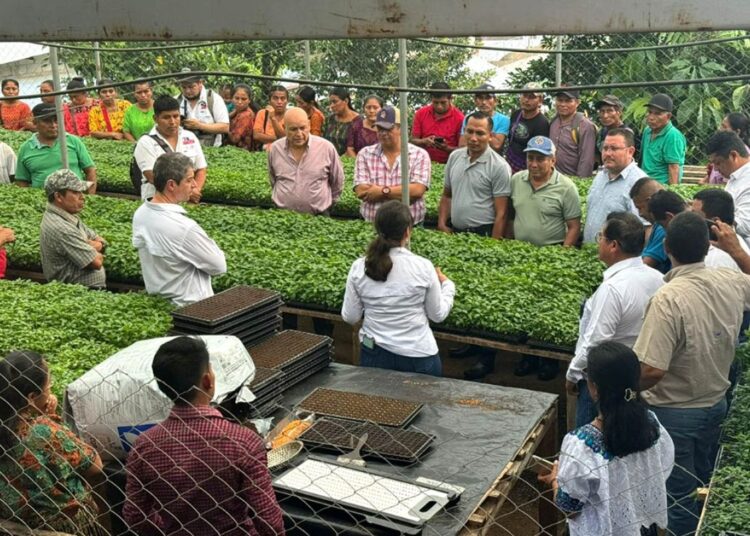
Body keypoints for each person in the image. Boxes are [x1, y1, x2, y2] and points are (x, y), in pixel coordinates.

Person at [634, 211, 750, 536]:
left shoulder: (668, 298)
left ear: (666, 247)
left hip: (674, 413)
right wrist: (737, 251)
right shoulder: (730, 281)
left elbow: (652, 369)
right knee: (702, 485)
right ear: (707, 246)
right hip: (716, 405)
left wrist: (626, 390)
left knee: (678, 499)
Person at [123, 337, 284, 536]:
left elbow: (135, 516)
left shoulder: (144, 447)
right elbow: (269, 522)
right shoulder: (243, 442)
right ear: (208, 380)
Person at [540, 342, 674, 536]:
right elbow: (663, 467)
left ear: (594, 387)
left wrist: (555, 479)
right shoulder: (652, 425)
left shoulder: (581, 444)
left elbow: (569, 507)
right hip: (642, 529)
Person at [566, 213, 664, 427]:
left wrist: (573, 374)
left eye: (600, 237)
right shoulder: (658, 278)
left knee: (594, 439)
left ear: (613, 245)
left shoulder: (612, 289)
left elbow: (596, 342)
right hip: (634, 377)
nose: (598, 242)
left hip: (603, 382)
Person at [0, 350, 108, 534]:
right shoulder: (42, 430)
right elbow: (95, 466)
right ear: (31, 397)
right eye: (49, 385)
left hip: (13, 522)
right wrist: (50, 418)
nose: (51, 389)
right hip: (61, 526)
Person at [342, 200, 455, 376]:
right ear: (407, 231)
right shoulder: (423, 267)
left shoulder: (360, 267)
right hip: (419, 356)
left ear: (377, 229)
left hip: (375, 354)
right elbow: (437, 315)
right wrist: (448, 286)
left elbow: (350, 316)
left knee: (376, 395)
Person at [438, 111, 512, 381]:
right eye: (469, 131)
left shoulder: (499, 166)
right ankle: (469, 344)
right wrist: (442, 222)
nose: (474, 137)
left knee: (486, 296)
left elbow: (501, 213)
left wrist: (493, 246)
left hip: (484, 235)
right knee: (463, 289)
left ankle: (486, 357)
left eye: (480, 133)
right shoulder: (455, 158)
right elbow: (447, 195)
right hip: (457, 235)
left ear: (490, 136)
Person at [510, 136, 581, 381]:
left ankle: (548, 362)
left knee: (547, 307)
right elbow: (511, 216)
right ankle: (526, 357)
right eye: (530, 158)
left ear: (553, 160)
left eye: (540, 159)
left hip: (552, 254)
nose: (534, 164)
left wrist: (563, 254)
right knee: (521, 304)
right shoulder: (516, 180)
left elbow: (574, 225)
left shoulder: (566, 187)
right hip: (522, 254)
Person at [132, 152, 226, 306]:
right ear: (171, 185)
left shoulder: (141, 214)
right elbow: (219, 266)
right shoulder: (183, 227)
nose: (194, 185)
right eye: (189, 180)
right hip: (192, 307)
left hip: (161, 303)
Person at [354, 106, 431, 224]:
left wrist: (382, 191)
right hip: (372, 223)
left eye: (388, 129)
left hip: (410, 225)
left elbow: (417, 190)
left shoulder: (419, 155)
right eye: (380, 129)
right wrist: (399, 193)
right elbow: (361, 190)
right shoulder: (365, 154)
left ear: (401, 129)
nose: (383, 133)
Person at [268, 107, 344, 215]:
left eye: (302, 128)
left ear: (309, 125)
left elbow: (337, 182)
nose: (299, 134)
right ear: (284, 128)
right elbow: (273, 180)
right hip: (282, 216)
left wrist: (328, 205)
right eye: (293, 129)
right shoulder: (276, 149)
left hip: (319, 216)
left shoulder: (326, 148)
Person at [134, 95, 207, 203]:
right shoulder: (145, 142)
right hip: (159, 203)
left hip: (187, 201)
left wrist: (195, 190)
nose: (172, 121)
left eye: (176, 116)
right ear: (155, 118)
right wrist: (187, 191)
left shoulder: (190, 137)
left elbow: (201, 168)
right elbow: (152, 177)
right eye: (166, 117)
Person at [40, 170, 106, 288]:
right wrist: (95, 246)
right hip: (81, 292)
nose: (82, 197)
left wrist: (98, 245)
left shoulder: (67, 217)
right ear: (58, 196)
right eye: (75, 192)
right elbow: (97, 262)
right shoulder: (61, 228)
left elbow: (100, 239)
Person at [583, 128, 647, 243]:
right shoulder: (600, 176)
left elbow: (645, 229)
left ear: (630, 151)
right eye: (605, 148)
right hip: (589, 251)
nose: (608, 153)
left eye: (614, 148)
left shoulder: (639, 183)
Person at [16, 103, 97, 193]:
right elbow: (21, 181)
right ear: (35, 123)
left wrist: (90, 197)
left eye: (56, 120)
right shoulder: (26, 148)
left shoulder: (73, 141)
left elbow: (90, 170)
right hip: (42, 199)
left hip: (74, 198)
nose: (53, 125)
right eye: (47, 121)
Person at [709, 131, 750, 247]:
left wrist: (710, 218)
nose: (715, 169)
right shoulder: (735, 177)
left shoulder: (747, 181)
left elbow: (745, 225)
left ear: (733, 156)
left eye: (718, 163)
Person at [692, 188, 750, 269]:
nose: (690, 219)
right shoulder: (735, 242)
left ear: (715, 222)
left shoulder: (716, 259)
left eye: (695, 215)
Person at [410, 82, 464, 164]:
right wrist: (424, 141)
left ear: (450, 99)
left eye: (443, 102)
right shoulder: (420, 114)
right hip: (421, 163)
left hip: (450, 164)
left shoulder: (460, 118)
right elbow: (413, 141)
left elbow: (463, 150)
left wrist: (446, 148)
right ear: (431, 99)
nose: (439, 106)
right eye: (436, 102)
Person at [549, 88, 596, 178]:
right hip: (552, 178)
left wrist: (580, 182)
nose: (563, 104)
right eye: (560, 100)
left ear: (577, 103)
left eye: (568, 101)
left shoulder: (585, 126)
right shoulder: (554, 121)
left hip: (572, 179)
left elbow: (586, 160)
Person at [640, 93, 686, 185]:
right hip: (644, 184)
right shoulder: (647, 131)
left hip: (661, 187)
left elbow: (673, 168)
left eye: (657, 114)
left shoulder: (673, 136)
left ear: (668, 116)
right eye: (650, 112)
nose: (651, 117)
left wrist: (672, 192)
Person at [177, 69, 230, 147]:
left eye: (191, 87)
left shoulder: (213, 99)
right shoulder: (177, 101)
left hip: (211, 149)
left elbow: (225, 127)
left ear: (200, 83)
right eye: (184, 87)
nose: (188, 91)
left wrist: (199, 126)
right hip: (184, 148)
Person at [506, 82, 550, 174]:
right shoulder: (516, 114)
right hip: (510, 160)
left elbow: (538, 152)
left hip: (526, 166)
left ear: (540, 100)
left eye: (531, 97)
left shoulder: (542, 123)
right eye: (524, 95)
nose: (526, 100)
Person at [629, 177, 669, 273]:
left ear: (649, 202)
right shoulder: (658, 224)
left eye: (640, 208)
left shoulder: (663, 227)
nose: (640, 214)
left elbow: (645, 266)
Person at [458, 83, 510, 153]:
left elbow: (496, 146)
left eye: (488, 98)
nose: (484, 102)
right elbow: (462, 145)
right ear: (475, 101)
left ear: (495, 101)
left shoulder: (503, 120)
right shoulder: (469, 118)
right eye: (480, 98)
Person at [702, 112, 750, 185]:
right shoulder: (721, 150)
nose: (719, 129)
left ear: (737, 132)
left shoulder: (742, 155)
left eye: (724, 127)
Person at [594, 94, 639, 164]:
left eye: (609, 111)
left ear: (619, 112)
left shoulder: (626, 133)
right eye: (602, 111)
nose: (605, 116)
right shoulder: (602, 132)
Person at [323, 87, 359, 156]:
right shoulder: (329, 120)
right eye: (330, 102)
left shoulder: (358, 122)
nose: (331, 106)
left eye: (335, 102)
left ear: (346, 101)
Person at [253, 85, 288, 151]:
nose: (279, 102)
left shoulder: (290, 115)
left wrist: (273, 118)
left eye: (283, 98)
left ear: (287, 101)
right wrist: (279, 139)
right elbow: (256, 135)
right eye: (275, 98)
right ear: (269, 101)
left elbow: (287, 140)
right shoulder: (263, 113)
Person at [226, 84, 256, 151]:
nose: (239, 102)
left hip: (241, 152)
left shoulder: (246, 115)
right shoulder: (237, 111)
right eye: (237, 98)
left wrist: (224, 128)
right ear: (232, 99)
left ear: (249, 100)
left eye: (243, 99)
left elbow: (235, 139)